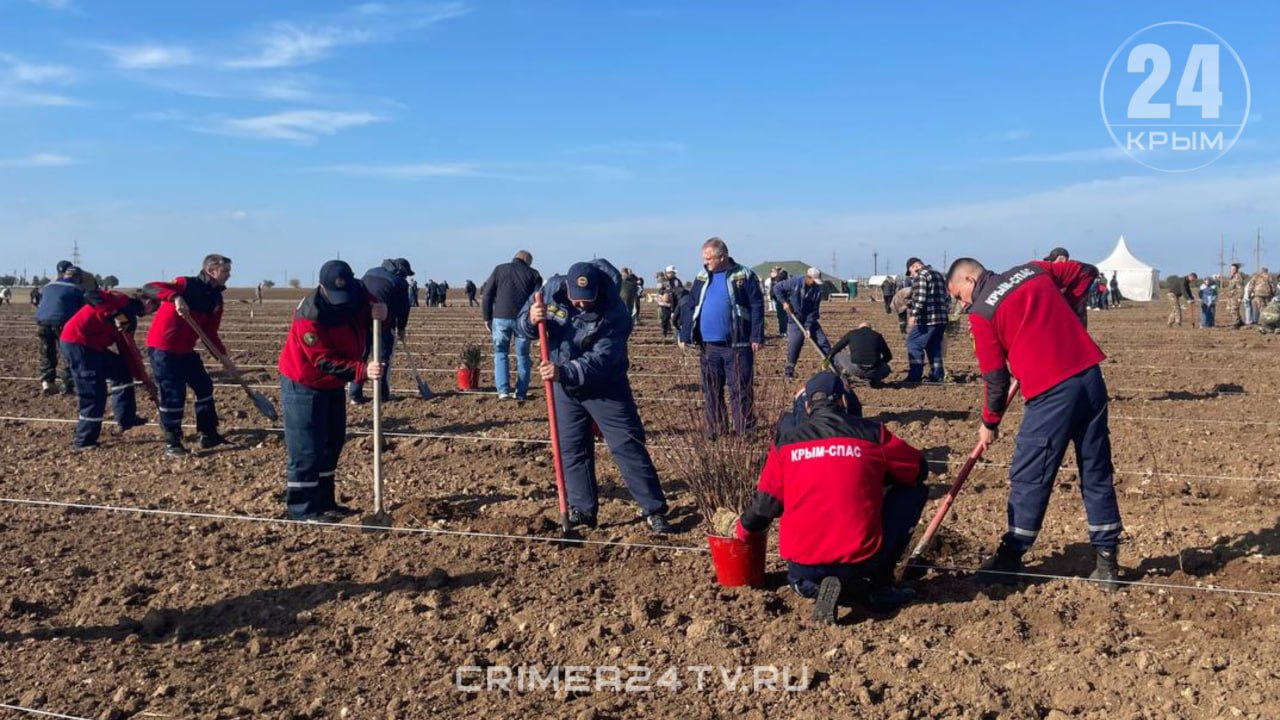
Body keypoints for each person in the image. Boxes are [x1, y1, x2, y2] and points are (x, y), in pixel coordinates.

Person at [946, 256, 1123, 591]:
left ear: (969, 280)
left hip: (1052, 392)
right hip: (1090, 378)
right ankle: (1107, 562)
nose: (962, 304)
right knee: (1096, 470)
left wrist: (989, 421)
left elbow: (995, 378)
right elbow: (1085, 271)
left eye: (958, 296)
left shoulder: (983, 312)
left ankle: (1009, 560)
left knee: (1030, 475)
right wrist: (1071, 312)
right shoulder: (1032, 269)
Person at [736, 371, 927, 624]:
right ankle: (879, 586)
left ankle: (811, 587)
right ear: (844, 402)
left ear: (806, 406)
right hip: (861, 562)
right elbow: (919, 470)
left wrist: (742, 531)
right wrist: (874, 477)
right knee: (914, 489)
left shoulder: (786, 441)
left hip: (803, 568)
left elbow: (765, 505)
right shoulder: (873, 434)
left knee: (802, 577)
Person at [518, 259, 673, 533]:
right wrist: (531, 320)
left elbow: (603, 359)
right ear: (566, 288)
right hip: (564, 388)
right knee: (572, 449)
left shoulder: (615, 311)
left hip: (605, 387)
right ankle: (583, 510)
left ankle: (654, 509)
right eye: (576, 301)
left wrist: (563, 371)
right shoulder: (550, 290)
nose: (581, 305)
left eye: (587, 301)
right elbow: (524, 326)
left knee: (627, 445)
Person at [278, 260, 388, 521]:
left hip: (333, 385)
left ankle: (325, 502)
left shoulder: (358, 293)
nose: (342, 300)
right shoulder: (310, 313)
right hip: (304, 382)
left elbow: (377, 314)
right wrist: (363, 371)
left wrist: (383, 313)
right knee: (306, 447)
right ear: (321, 287)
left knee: (332, 443)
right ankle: (302, 509)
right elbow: (322, 361)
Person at [141, 254, 233, 456]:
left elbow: (210, 333)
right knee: (173, 394)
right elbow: (149, 287)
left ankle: (208, 433)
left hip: (185, 350)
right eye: (225, 271)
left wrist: (223, 357)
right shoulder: (184, 284)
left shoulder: (216, 299)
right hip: (163, 348)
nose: (229, 275)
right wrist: (175, 297)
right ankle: (172, 441)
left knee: (204, 386)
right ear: (211, 270)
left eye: (228, 270)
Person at [680, 237, 765, 436]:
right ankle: (716, 428)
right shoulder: (702, 276)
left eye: (709, 258)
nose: (706, 262)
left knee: (741, 390)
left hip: (738, 344)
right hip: (708, 346)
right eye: (704, 259)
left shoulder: (743, 275)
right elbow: (691, 304)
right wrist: (685, 333)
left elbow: (757, 305)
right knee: (711, 390)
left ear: (722, 256)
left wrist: (757, 335)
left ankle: (745, 430)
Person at [59, 289, 158, 451]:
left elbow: (128, 349)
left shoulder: (129, 319)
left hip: (94, 347)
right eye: (154, 308)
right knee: (94, 392)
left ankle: (126, 418)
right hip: (78, 342)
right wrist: (115, 314)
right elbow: (91, 295)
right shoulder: (119, 299)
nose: (152, 312)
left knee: (122, 369)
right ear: (148, 301)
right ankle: (84, 440)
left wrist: (143, 378)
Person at [350, 258, 413, 404]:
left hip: (360, 322)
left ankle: (354, 394)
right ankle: (382, 394)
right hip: (384, 323)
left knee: (361, 356)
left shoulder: (369, 272)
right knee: (384, 359)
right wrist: (401, 329)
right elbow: (403, 309)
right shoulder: (399, 282)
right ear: (401, 271)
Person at [482, 250, 543, 401]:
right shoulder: (534, 274)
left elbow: (487, 294)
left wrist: (487, 317)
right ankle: (521, 392)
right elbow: (538, 299)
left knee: (501, 353)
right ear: (528, 261)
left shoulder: (499, 269)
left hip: (501, 318)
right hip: (523, 320)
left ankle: (503, 391)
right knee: (523, 356)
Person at [35, 264, 87, 395]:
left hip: (43, 321)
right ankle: (67, 383)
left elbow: (40, 303)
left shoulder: (47, 286)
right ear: (78, 277)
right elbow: (82, 311)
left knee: (47, 352)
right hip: (62, 323)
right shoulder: (77, 289)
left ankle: (47, 382)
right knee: (68, 353)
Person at [774, 267, 832, 380]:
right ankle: (789, 372)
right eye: (814, 281)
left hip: (810, 320)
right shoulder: (795, 282)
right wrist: (784, 302)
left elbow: (814, 311)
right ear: (808, 277)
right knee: (794, 344)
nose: (815, 284)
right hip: (795, 319)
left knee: (823, 342)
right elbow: (777, 288)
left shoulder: (817, 291)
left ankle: (832, 367)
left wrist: (808, 327)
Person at [904, 257, 948, 383]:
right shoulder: (938, 274)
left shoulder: (921, 275)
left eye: (910, 272)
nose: (912, 276)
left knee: (913, 343)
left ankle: (914, 376)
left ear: (913, 267)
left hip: (928, 320)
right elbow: (945, 298)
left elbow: (920, 298)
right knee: (933, 346)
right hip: (941, 319)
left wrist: (913, 315)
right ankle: (937, 376)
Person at [825, 322, 892, 386]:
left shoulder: (852, 333)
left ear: (859, 328)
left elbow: (837, 348)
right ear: (870, 328)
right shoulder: (877, 335)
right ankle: (872, 379)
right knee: (887, 368)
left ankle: (842, 377)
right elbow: (888, 356)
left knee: (838, 355)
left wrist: (827, 358)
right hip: (874, 371)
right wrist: (878, 363)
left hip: (854, 368)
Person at [656, 266, 681, 338]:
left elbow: (680, 289)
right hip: (664, 304)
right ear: (667, 273)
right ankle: (664, 333)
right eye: (671, 273)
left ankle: (676, 334)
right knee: (665, 318)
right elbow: (660, 290)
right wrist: (665, 293)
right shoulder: (662, 281)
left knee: (676, 318)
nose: (673, 274)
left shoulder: (677, 281)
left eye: (673, 273)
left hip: (674, 302)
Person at [1223, 263, 1245, 328]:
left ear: (1236, 269)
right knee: (1230, 310)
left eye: (1233, 269)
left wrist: (1240, 297)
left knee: (1234, 310)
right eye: (1231, 269)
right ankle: (1240, 322)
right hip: (1231, 297)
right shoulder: (1232, 276)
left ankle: (1236, 323)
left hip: (1235, 296)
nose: (1232, 270)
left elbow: (1240, 287)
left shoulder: (1238, 276)